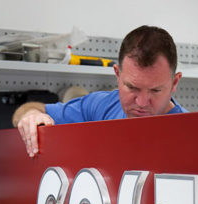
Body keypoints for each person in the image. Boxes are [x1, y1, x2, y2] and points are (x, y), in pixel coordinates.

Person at [12, 25, 188, 157]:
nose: (141, 102)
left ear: (175, 83)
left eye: (155, 90)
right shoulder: (102, 105)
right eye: (132, 87)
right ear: (117, 75)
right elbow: (24, 112)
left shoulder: (190, 136)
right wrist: (32, 117)